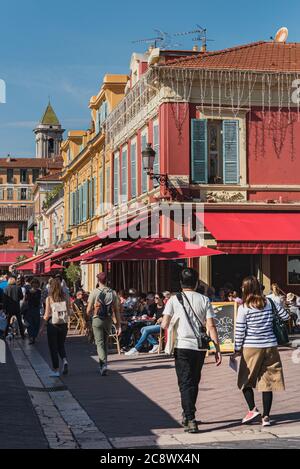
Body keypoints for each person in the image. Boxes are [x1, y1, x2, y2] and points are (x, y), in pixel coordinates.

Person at [161, 268, 222, 434]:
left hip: (182, 346)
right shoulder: (204, 299)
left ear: (180, 283)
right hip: (199, 347)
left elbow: (164, 325)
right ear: (196, 283)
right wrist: (217, 349)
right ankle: (188, 413)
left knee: (185, 382)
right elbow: (211, 326)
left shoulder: (173, 300)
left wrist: (170, 319)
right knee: (193, 381)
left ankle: (190, 417)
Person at [232, 276, 290, 427]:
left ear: (246, 289)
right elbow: (285, 316)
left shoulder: (244, 307)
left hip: (251, 347)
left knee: (245, 381)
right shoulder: (269, 303)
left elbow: (240, 331)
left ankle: (252, 409)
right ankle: (266, 417)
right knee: (268, 382)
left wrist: (237, 349)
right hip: (270, 346)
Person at [87, 273, 121, 376]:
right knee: (105, 342)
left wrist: (91, 314)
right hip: (108, 320)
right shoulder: (113, 293)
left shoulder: (94, 292)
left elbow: (88, 310)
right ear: (107, 281)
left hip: (97, 319)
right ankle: (104, 363)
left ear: (98, 281)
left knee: (99, 343)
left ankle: (103, 364)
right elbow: (116, 310)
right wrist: (118, 325)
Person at [43, 278, 71, 377]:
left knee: (53, 347)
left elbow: (46, 314)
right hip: (63, 324)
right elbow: (69, 310)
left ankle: (55, 370)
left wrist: (42, 327)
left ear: (51, 287)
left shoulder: (49, 298)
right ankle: (65, 360)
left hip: (52, 324)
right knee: (61, 345)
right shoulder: (66, 296)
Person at [24, 279, 42, 345]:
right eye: (34, 283)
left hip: (36, 309)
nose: (35, 284)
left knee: (36, 323)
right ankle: (31, 337)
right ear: (31, 284)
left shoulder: (39, 291)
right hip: (30, 309)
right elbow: (25, 300)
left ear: (38, 284)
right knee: (30, 323)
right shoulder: (28, 291)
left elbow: (40, 300)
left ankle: (34, 336)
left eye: (36, 283)